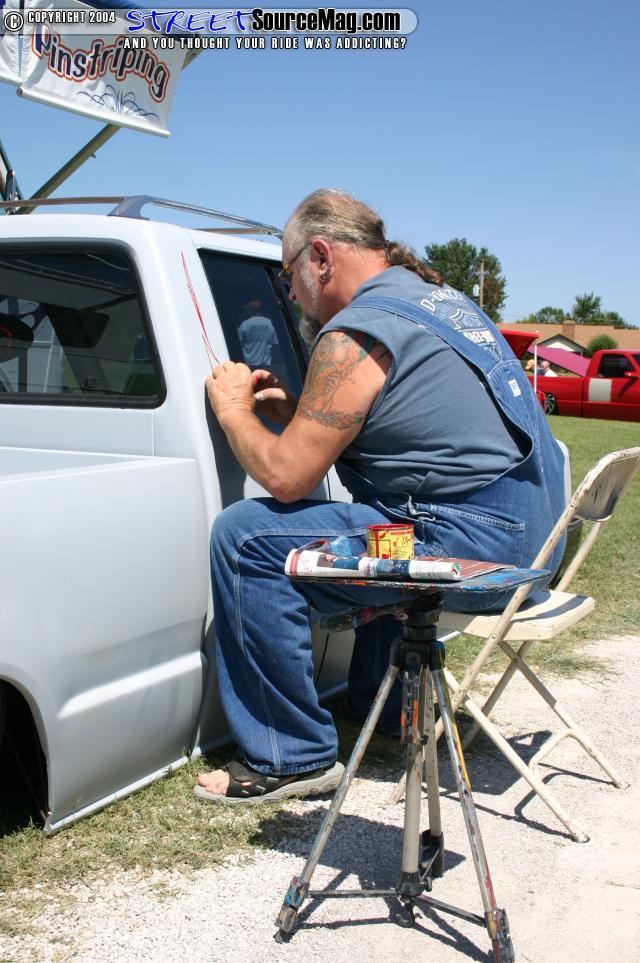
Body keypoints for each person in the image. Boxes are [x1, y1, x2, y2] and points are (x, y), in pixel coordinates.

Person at [196, 189, 567, 806]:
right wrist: (302, 413)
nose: (291, 294)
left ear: (320, 257)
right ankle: (387, 705)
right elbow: (420, 436)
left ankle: (291, 755)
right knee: (383, 521)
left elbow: (286, 478)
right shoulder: (440, 302)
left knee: (246, 539)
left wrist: (235, 410)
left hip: (475, 555)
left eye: (288, 276)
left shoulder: (356, 332)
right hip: (533, 543)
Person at [237, 299, 278, 369]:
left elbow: (238, 343)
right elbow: (275, 343)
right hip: (265, 365)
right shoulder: (270, 323)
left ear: (250, 310)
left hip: (249, 365)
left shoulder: (245, 325)